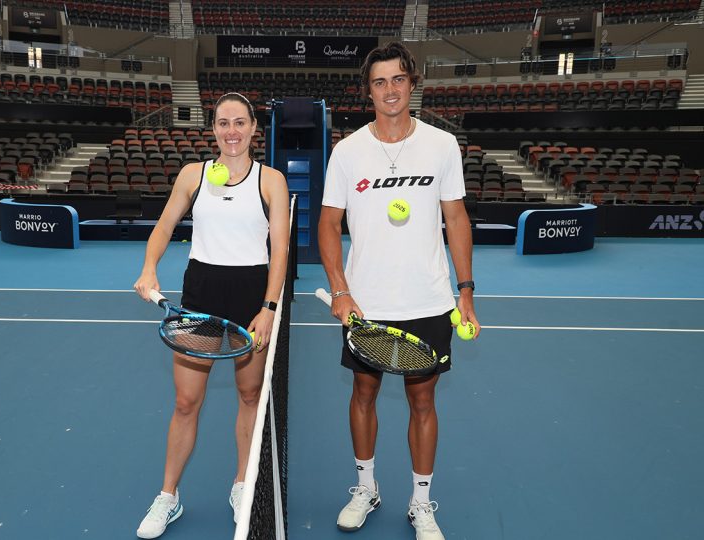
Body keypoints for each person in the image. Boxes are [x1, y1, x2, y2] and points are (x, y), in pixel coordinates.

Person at [318, 42, 481, 540]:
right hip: (366, 303)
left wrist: (466, 290)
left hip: (429, 300)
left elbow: (456, 218)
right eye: (379, 82)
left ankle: (422, 502)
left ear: (412, 84)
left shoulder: (441, 146)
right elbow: (327, 225)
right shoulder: (347, 152)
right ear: (368, 91)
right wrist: (340, 290)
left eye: (398, 80)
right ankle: (365, 487)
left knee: (423, 401)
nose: (390, 90)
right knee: (363, 392)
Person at [132, 92, 291, 539]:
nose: (232, 132)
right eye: (223, 123)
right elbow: (164, 226)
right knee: (186, 401)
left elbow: (279, 249)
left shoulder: (271, 181)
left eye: (240, 123)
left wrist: (268, 307)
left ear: (255, 128)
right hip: (201, 292)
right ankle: (169, 495)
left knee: (248, 395)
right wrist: (149, 268)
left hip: (251, 297)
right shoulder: (192, 174)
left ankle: (241, 483)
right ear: (214, 128)